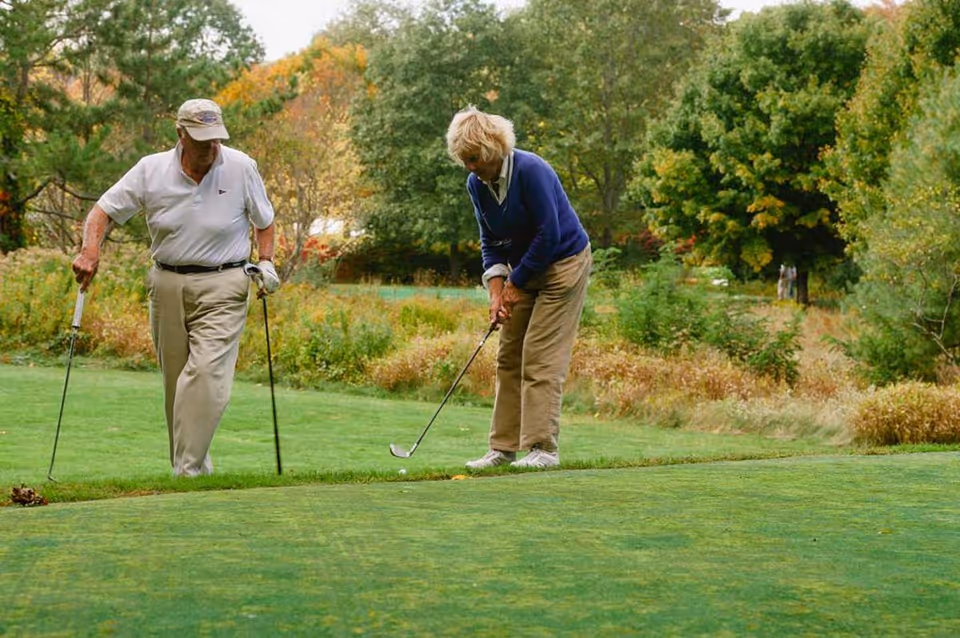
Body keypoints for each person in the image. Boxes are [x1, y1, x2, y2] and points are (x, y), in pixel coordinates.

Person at [71, 98, 280, 477]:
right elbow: (102, 211)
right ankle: (196, 466)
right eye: (201, 140)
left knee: (205, 374)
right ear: (180, 134)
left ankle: (187, 471)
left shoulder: (241, 166)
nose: (210, 148)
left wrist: (266, 262)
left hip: (225, 283)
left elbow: (264, 220)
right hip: (166, 283)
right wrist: (90, 250)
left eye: (216, 139)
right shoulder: (151, 170)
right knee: (176, 383)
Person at [446, 106, 592, 470]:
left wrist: (514, 284)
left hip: (563, 264)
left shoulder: (531, 170)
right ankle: (503, 448)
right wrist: (497, 292)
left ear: (492, 148)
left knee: (539, 355)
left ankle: (543, 448)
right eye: (464, 160)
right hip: (523, 268)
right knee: (509, 355)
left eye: (474, 158)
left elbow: (549, 235)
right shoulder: (475, 184)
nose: (469, 166)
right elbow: (490, 241)